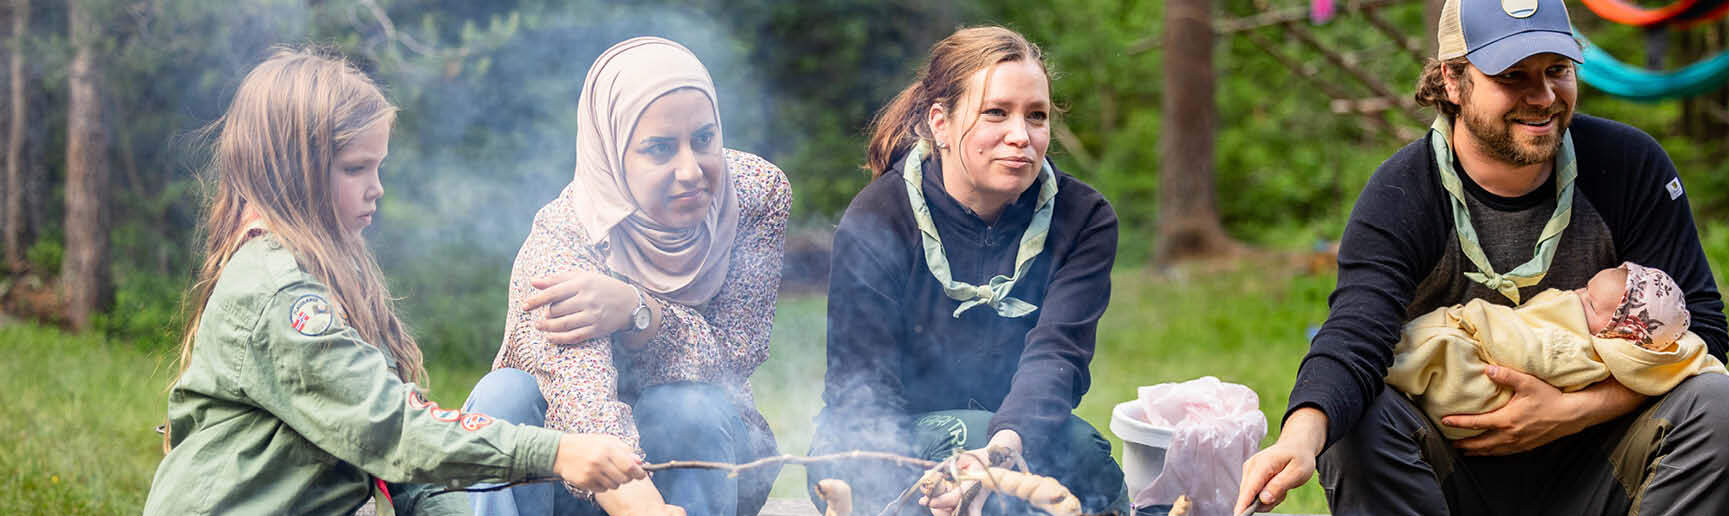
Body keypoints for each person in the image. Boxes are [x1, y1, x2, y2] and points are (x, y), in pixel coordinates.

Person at [1234, 0, 1729, 513]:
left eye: (1557, 69)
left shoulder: (1629, 166)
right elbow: (1356, 334)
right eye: (1511, 75)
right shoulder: (1403, 193)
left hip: (1601, 470)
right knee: (1353, 421)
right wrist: (1300, 437)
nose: (1543, 96)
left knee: (1727, 411)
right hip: (1446, 476)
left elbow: (1701, 331)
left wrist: (1571, 411)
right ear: (1451, 80)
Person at [145, 47, 648, 516]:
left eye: (378, 166)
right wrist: (557, 451)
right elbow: (393, 430)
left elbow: (410, 468)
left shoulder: (334, 275)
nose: (377, 188)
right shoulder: (279, 292)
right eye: (355, 168)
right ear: (292, 172)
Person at [807, 26, 1128, 515]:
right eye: (996, 112)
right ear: (941, 123)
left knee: (1086, 457)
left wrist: (999, 453)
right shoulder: (880, 217)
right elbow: (863, 389)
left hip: (1018, 430)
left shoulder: (1082, 218)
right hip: (881, 441)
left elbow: (1056, 355)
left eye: (1036, 116)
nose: (1020, 136)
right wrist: (939, 483)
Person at [468, 36, 789, 516]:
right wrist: (644, 508)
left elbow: (736, 355)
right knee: (504, 397)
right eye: (660, 149)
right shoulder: (564, 237)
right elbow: (585, 405)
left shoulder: (756, 196)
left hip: (706, 459)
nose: (690, 171)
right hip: (576, 476)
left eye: (704, 139)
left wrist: (641, 314)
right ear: (612, 151)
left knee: (685, 406)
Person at [1388, 262, 1726, 440]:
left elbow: (1522, 350)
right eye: (1584, 288)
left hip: (1476, 399)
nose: (1578, 294)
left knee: (1440, 346)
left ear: (1619, 335)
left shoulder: (1580, 352)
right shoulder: (1581, 331)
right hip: (1479, 403)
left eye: (1592, 303)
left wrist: (1478, 318)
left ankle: (1389, 366)